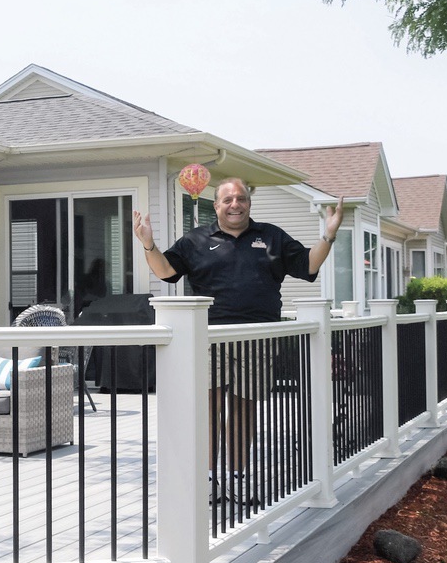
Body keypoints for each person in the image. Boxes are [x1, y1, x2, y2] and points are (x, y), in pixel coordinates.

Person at [132, 176, 344, 506]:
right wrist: (148, 243)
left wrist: (328, 235)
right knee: (210, 409)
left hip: (257, 339)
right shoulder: (196, 240)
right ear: (215, 205)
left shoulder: (271, 236)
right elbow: (165, 271)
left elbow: (309, 264)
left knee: (244, 409)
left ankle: (237, 479)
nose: (235, 204)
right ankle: (209, 480)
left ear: (249, 203)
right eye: (227, 200)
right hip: (209, 338)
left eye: (241, 198)